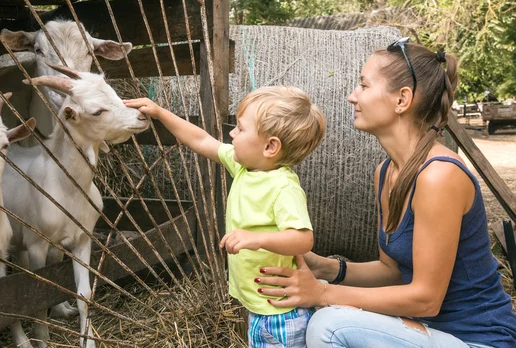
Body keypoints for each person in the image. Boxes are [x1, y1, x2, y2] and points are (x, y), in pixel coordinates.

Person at [254, 38, 516, 348]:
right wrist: (323, 268)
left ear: (402, 99)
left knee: (329, 325)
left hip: (478, 340)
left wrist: (324, 294)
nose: (352, 96)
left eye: (364, 85)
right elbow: (393, 271)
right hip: (427, 332)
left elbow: (426, 299)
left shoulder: (439, 176)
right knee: (312, 299)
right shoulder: (387, 172)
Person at [124, 86, 326, 347]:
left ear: (270, 146)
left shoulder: (283, 187)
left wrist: (256, 238)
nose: (231, 133)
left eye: (240, 129)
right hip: (260, 306)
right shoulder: (244, 167)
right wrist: (161, 113)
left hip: (281, 314)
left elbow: (303, 239)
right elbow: (201, 140)